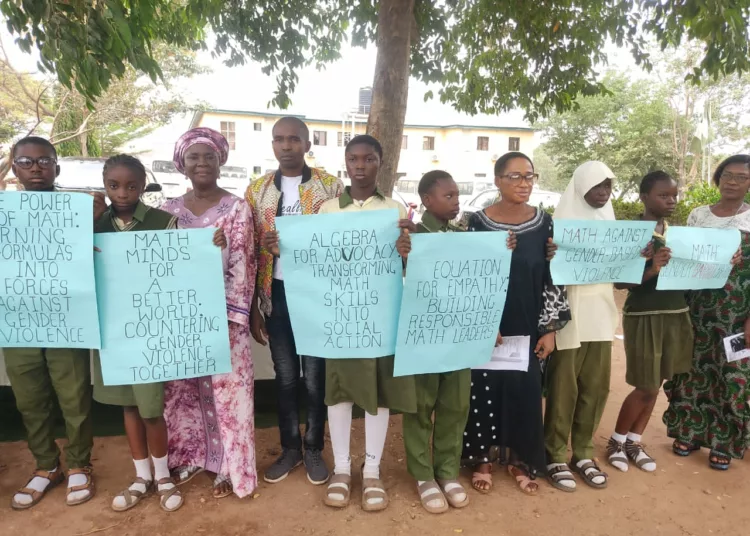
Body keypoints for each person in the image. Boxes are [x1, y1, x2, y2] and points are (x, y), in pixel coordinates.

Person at [264, 134, 415, 511]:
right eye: (353, 159)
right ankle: (345, 469)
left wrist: (408, 254)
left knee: (378, 397)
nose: (360, 166)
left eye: (369, 159)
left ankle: (374, 471)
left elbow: (407, 267)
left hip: (379, 318)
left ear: (381, 163)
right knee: (339, 392)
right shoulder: (329, 210)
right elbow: (315, 259)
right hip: (341, 319)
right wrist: (284, 249)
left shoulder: (395, 209)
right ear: (345, 164)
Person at [92, 154, 225, 512]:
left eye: (132, 185)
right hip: (113, 334)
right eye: (114, 185)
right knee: (129, 407)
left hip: (150, 333)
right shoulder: (94, 224)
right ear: (105, 186)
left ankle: (163, 475)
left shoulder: (162, 221)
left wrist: (210, 250)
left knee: (152, 408)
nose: (122, 192)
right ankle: (141, 476)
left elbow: (182, 269)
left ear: (143, 186)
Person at [397, 171, 515, 513]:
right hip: (423, 338)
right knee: (420, 407)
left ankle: (447, 471)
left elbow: (481, 285)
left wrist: (501, 250)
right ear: (426, 201)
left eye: (456, 195)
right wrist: (403, 255)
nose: (456, 201)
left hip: (460, 337)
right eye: (447, 196)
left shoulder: (464, 236)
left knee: (455, 406)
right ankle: (422, 475)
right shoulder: (412, 237)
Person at [5, 137, 104, 510]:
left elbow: (101, 253)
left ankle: (79, 463)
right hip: (17, 320)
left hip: (67, 318)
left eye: (43, 160)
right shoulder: (4, 211)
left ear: (56, 167)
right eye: (26, 161)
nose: (35, 167)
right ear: (14, 168)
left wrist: (92, 222)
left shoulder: (80, 209)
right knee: (29, 398)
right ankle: (46, 466)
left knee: (73, 395)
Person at [463, 152, 570, 496]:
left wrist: (550, 328)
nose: (524, 183)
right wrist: (481, 322)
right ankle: (481, 459)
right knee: (483, 389)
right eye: (515, 176)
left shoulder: (544, 222)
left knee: (525, 391)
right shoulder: (475, 222)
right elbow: (467, 275)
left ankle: (519, 458)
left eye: (529, 176)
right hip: (488, 325)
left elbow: (555, 276)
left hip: (529, 322)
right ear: (497, 180)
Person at [245, 117, 344, 486]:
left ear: (307, 143)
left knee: (316, 378)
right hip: (278, 294)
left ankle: (314, 447)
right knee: (285, 377)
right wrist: (257, 303)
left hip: (318, 294)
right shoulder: (256, 190)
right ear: (272, 145)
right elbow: (252, 250)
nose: (286, 146)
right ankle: (290, 448)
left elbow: (342, 240)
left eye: (294, 139)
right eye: (279, 139)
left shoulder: (331, 186)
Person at [161, 127, 257, 499]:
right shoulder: (168, 210)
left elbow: (243, 265)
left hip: (223, 320)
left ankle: (231, 467)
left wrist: (229, 317)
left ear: (221, 161)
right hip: (181, 321)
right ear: (182, 164)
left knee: (228, 393)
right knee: (183, 391)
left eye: (209, 156)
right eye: (193, 157)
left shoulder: (236, 208)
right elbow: (160, 265)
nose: (201, 163)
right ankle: (192, 456)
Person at [663, 155, 750, 471]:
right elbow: (685, 258)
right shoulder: (699, 215)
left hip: (737, 315)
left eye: (741, 177)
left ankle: (724, 442)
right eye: (727, 174)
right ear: (718, 177)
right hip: (696, 309)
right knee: (691, 370)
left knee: (733, 374)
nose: (732, 181)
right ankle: (688, 432)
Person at [605, 171, 694, 474]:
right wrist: (653, 268)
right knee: (643, 384)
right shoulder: (632, 233)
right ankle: (616, 441)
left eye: (674, 195)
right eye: (663, 195)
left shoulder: (673, 232)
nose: (671, 201)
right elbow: (620, 283)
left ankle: (634, 441)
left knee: (655, 384)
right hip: (643, 316)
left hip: (675, 313)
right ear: (644, 197)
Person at [543, 162, 618, 492]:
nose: (603, 192)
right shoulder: (560, 225)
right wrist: (549, 255)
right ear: (580, 187)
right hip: (568, 317)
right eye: (597, 186)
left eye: (608, 186)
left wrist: (638, 255)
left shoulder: (612, 224)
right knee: (563, 390)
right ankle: (555, 454)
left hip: (601, 317)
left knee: (595, 389)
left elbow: (623, 276)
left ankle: (583, 452)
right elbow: (546, 276)